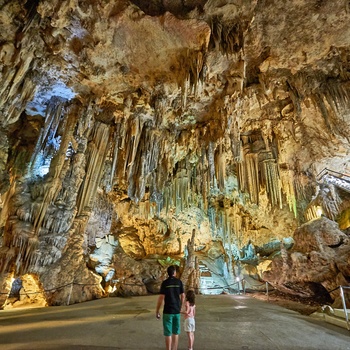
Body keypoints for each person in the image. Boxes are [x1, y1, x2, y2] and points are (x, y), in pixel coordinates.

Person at [156, 265, 185, 350]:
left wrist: (157, 310)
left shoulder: (165, 283)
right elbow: (183, 295)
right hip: (176, 311)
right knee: (175, 332)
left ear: (168, 273)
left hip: (168, 311)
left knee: (168, 333)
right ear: (174, 273)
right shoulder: (179, 282)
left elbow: (161, 298)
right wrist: (180, 306)